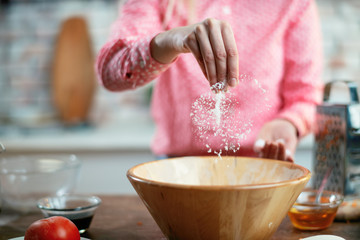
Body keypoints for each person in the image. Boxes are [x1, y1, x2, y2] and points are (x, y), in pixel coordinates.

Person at [95, 0, 323, 162]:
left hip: (259, 169)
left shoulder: (293, 3)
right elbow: (110, 72)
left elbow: (306, 96)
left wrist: (290, 123)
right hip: (177, 171)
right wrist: (170, 41)